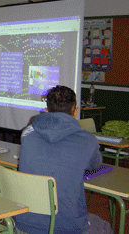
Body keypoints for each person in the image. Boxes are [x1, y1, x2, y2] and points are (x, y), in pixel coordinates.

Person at [15, 85, 112, 234]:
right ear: (75, 112)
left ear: (46, 111)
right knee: (104, 226)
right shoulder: (88, 140)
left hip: (24, 225)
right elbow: (95, 165)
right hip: (68, 228)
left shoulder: (28, 137)